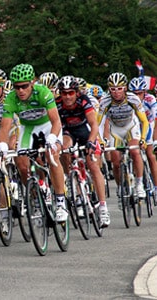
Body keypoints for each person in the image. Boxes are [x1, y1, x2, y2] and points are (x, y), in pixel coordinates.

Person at [0, 63, 68, 222]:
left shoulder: (43, 92)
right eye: (17, 87)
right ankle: (35, 197)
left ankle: (60, 202)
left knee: (52, 156)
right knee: (22, 164)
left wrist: (52, 137)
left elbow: (56, 121)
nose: (20, 91)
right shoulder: (11, 98)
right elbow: (5, 127)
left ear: (32, 83)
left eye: (24, 86)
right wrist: (2, 144)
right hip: (28, 128)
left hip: (47, 126)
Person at [55, 75, 110, 227]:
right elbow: (55, 126)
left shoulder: (84, 101)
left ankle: (103, 207)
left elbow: (94, 125)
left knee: (93, 165)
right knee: (64, 149)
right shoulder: (57, 104)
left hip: (85, 131)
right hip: (68, 132)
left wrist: (92, 142)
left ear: (77, 93)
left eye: (70, 93)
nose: (67, 96)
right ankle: (71, 181)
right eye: (64, 93)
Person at [98, 72, 149, 206]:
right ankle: (121, 187)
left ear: (125, 88)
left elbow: (144, 121)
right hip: (115, 130)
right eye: (113, 89)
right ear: (109, 89)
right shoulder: (105, 101)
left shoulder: (133, 99)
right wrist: (101, 141)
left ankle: (139, 184)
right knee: (115, 161)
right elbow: (99, 124)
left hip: (131, 126)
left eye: (119, 88)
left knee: (135, 152)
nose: (116, 92)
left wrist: (143, 138)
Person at [128, 77, 157, 194]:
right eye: (134, 93)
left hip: (149, 124)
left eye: (139, 93)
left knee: (150, 155)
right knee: (133, 152)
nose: (137, 96)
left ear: (144, 92)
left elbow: (155, 122)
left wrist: (154, 141)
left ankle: (156, 186)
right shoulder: (128, 101)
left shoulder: (150, 100)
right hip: (134, 126)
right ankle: (137, 178)